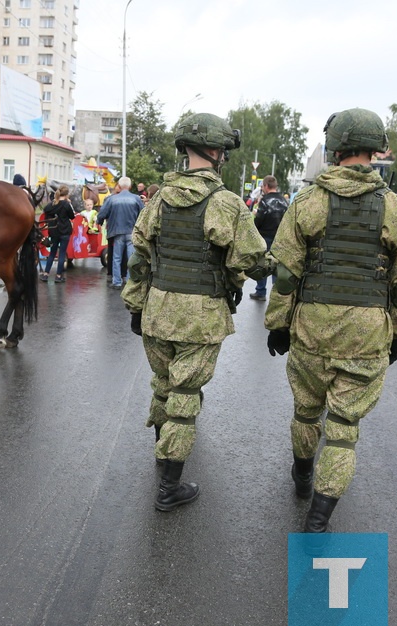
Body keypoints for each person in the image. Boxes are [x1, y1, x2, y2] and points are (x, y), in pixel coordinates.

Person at [264, 108, 397, 533]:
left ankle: (301, 475)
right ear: (376, 149)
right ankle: (320, 515)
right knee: (343, 427)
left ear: (334, 149)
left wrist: (278, 324)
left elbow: (284, 275)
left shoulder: (307, 201)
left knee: (306, 411)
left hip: (312, 325)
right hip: (368, 329)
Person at [122, 112, 272, 511]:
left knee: (163, 384)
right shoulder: (226, 204)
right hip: (201, 316)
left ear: (185, 150)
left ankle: (162, 451)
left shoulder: (157, 201)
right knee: (186, 395)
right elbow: (254, 259)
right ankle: (170, 488)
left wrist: (136, 305)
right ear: (217, 151)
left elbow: (140, 259)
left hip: (157, 308)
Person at [96, 176, 144, 288]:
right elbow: (143, 214)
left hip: (117, 232)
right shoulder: (136, 198)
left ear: (119, 186)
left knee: (116, 258)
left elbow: (102, 213)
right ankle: (129, 280)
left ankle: (117, 282)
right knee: (131, 257)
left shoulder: (112, 199)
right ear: (130, 186)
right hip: (131, 231)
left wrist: (99, 221)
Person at [249, 174, 289, 301]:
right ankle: (276, 294)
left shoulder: (265, 201)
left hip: (265, 237)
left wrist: (254, 230)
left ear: (266, 186)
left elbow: (259, 219)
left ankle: (261, 292)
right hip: (280, 238)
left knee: (263, 265)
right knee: (277, 266)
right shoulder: (284, 201)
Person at [40, 184, 75, 283]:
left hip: (54, 231)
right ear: (67, 195)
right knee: (62, 254)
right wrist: (69, 203)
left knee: (52, 253)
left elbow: (45, 210)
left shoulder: (52, 204)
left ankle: (46, 274)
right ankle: (58, 276)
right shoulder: (66, 205)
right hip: (64, 232)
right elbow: (72, 216)